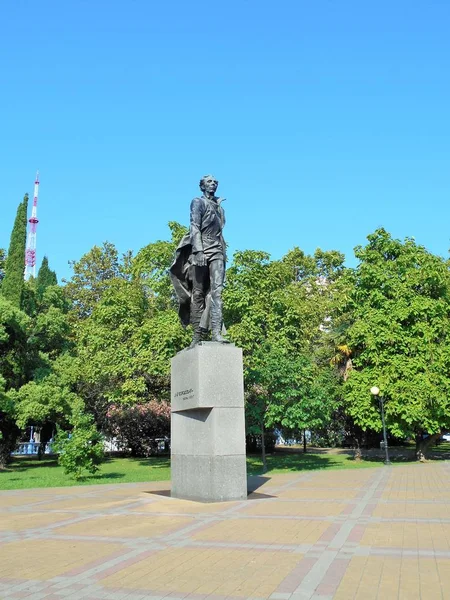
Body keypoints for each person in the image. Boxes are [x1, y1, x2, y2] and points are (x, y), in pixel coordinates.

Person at [170, 175, 229, 347]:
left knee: (217, 292)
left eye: (215, 182)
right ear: (202, 186)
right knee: (198, 293)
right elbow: (194, 226)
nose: (214, 184)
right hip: (201, 248)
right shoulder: (198, 202)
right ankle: (197, 335)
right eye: (209, 182)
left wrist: (218, 205)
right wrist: (199, 250)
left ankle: (216, 333)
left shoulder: (219, 207)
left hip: (217, 249)